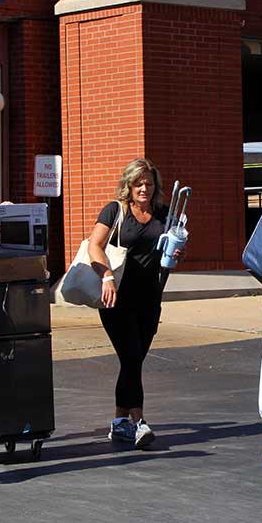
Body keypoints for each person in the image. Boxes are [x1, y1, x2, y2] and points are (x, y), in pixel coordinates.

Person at [87, 158, 185, 449]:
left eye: (149, 183)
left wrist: (177, 255)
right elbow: (95, 245)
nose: (144, 188)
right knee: (131, 358)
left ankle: (119, 422)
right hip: (116, 297)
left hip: (150, 297)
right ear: (128, 186)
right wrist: (106, 276)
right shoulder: (115, 210)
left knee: (134, 361)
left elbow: (172, 251)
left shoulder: (164, 214)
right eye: (138, 183)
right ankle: (140, 423)